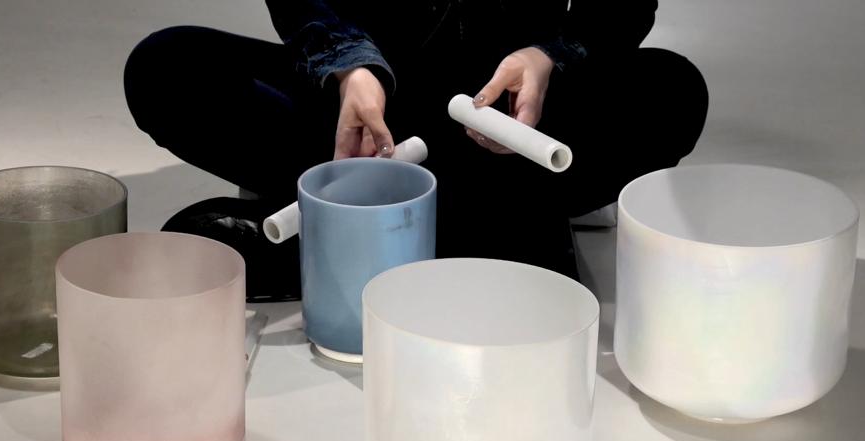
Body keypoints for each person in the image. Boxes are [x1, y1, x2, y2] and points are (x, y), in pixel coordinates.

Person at [124, 0, 708, 279]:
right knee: (167, 65)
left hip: (514, 113)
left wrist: (548, 56)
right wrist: (350, 67)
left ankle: (346, 233)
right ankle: (494, 232)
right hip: (368, 106)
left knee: (673, 90)